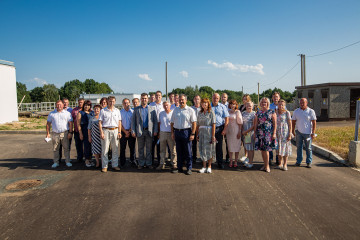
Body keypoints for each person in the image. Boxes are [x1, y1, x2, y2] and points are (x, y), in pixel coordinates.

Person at [171, 94, 197, 175]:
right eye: (180, 100)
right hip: (177, 132)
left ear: (186, 100)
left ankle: (189, 168)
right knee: (179, 151)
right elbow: (172, 122)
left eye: (183, 100)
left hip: (186, 132)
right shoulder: (175, 110)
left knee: (188, 151)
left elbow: (194, 123)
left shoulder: (190, 110)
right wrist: (172, 133)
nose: (181, 101)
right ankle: (179, 168)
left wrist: (193, 134)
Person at [131, 93, 158, 169]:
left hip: (149, 131)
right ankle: (141, 163)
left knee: (149, 149)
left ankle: (149, 163)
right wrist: (133, 131)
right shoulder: (136, 109)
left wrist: (155, 130)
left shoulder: (152, 108)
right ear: (140, 99)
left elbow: (155, 121)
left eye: (145, 98)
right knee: (140, 149)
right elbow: (133, 122)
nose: (144, 100)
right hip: (140, 131)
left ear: (148, 99)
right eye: (142, 98)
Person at [46, 100, 73, 168]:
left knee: (66, 148)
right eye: (57, 104)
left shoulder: (67, 113)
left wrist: (70, 132)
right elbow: (48, 124)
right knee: (55, 149)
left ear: (63, 105)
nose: (59, 106)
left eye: (60, 104)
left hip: (65, 133)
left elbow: (70, 123)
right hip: (55, 134)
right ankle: (56, 162)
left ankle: (67, 161)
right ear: (56, 105)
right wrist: (48, 133)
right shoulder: (52, 114)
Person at [99, 96, 122, 172]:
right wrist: (101, 132)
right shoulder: (103, 111)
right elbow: (100, 122)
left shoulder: (117, 111)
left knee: (115, 149)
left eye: (113, 101)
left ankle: (115, 165)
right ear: (107, 101)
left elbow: (119, 122)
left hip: (115, 130)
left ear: (115, 102)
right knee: (105, 149)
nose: (111, 103)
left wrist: (119, 132)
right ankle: (104, 166)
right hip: (106, 130)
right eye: (110, 101)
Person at [292, 98, 317, 168]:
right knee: (299, 147)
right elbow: (293, 121)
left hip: (308, 133)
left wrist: (313, 132)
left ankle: (309, 162)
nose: (302, 104)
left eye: (303, 102)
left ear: (307, 103)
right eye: (300, 103)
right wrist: (292, 131)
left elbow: (314, 122)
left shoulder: (311, 111)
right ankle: (298, 161)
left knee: (308, 148)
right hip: (298, 132)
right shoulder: (296, 111)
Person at [254, 97, 277, 173]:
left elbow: (275, 124)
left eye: (265, 102)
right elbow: (256, 124)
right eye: (262, 102)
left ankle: (267, 166)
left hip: (268, 134)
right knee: (262, 150)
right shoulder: (258, 112)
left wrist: (274, 133)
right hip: (260, 133)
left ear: (268, 103)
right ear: (260, 103)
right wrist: (254, 133)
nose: (264, 104)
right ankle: (264, 164)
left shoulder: (272, 112)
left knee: (266, 150)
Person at [196, 98, 216, 174]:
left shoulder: (211, 113)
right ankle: (204, 166)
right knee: (202, 150)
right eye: (203, 103)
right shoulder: (199, 113)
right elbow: (197, 124)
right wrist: (197, 134)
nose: (204, 104)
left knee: (209, 150)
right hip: (201, 133)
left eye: (206, 103)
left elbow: (214, 124)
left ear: (208, 104)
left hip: (209, 133)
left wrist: (213, 135)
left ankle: (209, 166)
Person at [211, 93, 229, 169]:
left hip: (219, 129)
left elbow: (226, 118)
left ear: (219, 99)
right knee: (210, 146)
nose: (215, 99)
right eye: (214, 98)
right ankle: (209, 162)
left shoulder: (222, 107)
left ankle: (220, 162)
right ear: (212, 98)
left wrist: (225, 129)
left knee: (219, 147)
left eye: (217, 98)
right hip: (210, 129)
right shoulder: (208, 106)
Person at [157, 101, 177, 170]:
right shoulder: (161, 113)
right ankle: (162, 164)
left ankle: (174, 163)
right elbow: (159, 123)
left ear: (170, 105)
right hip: (162, 133)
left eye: (167, 105)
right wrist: (159, 133)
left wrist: (173, 133)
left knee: (173, 150)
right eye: (164, 105)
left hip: (170, 133)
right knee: (162, 150)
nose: (166, 107)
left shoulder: (173, 113)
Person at [276, 100, 292, 171]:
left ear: (284, 105)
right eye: (279, 104)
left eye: (282, 105)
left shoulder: (287, 113)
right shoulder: (275, 112)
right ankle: (280, 163)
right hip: (277, 133)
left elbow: (290, 124)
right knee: (278, 149)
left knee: (285, 149)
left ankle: (285, 164)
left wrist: (290, 134)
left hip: (285, 133)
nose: (281, 106)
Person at [77, 100, 94, 167]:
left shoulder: (92, 112)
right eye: (85, 105)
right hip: (84, 130)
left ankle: (90, 159)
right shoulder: (80, 113)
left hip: (92, 131)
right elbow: (78, 124)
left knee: (92, 146)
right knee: (86, 146)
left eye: (88, 105)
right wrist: (80, 133)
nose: (86, 106)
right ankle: (87, 160)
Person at [226, 100, 243, 168]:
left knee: (236, 147)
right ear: (229, 105)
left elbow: (240, 123)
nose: (232, 105)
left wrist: (239, 131)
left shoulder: (238, 112)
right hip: (229, 131)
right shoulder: (228, 111)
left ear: (236, 105)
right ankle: (231, 160)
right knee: (230, 147)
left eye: (234, 104)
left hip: (236, 130)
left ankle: (235, 161)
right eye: (231, 104)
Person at [120, 98, 136, 167]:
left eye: (127, 103)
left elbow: (134, 123)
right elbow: (119, 123)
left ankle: (133, 160)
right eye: (124, 103)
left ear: (129, 103)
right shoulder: (120, 112)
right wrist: (125, 131)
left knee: (132, 148)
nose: (126, 104)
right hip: (123, 132)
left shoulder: (133, 112)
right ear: (123, 104)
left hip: (131, 132)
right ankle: (122, 162)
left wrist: (129, 131)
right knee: (122, 148)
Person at [149, 91, 164, 165]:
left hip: (161, 128)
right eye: (156, 95)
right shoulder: (151, 105)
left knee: (160, 146)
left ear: (161, 96)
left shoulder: (164, 105)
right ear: (154, 96)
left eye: (159, 95)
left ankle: (159, 162)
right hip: (152, 127)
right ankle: (151, 162)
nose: (158, 97)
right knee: (151, 146)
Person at [241, 101, 256, 168]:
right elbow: (241, 123)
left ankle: (251, 162)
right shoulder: (243, 113)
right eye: (247, 105)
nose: (249, 107)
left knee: (250, 149)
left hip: (250, 133)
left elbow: (254, 125)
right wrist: (243, 131)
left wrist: (246, 131)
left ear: (252, 106)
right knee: (247, 148)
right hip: (245, 134)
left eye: (250, 106)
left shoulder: (254, 114)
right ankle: (248, 160)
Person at [71, 98, 85, 162]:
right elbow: (72, 120)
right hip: (77, 131)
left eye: (81, 102)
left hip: (85, 131)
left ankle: (87, 157)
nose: (80, 103)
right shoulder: (74, 110)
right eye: (79, 102)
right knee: (78, 145)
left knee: (86, 145)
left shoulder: (88, 109)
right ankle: (79, 157)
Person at [269, 92, 281, 165]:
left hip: (280, 128)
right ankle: (270, 158)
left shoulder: (282, 106)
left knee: (278, 143)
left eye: (276, 97)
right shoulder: (270, 106)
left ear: (279, 97)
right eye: (274, 97)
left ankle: (277, 158)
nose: (275, 98)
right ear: (272, 98)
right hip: (271, 127)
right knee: (270, 143)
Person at [239, 94, 252, 162]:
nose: (244, 100)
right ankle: (245, 155)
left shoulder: (250, 106)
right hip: (242, 126)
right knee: (244, 142)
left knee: (247, 143)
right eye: (243, 99)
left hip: (248, 128)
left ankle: (248, 157)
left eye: (246, 99)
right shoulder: (241, 106)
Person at [191, 95, 201, 163]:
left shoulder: (202, 108)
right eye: (195, 99)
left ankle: (203, 158)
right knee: (193, 144)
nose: (196, 100)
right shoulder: (191, 108)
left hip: (201, 128)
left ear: (200, 100)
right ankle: (194, 157)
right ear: (193, 100)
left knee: (202, 144)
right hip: (193, 128)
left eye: (198, 99)